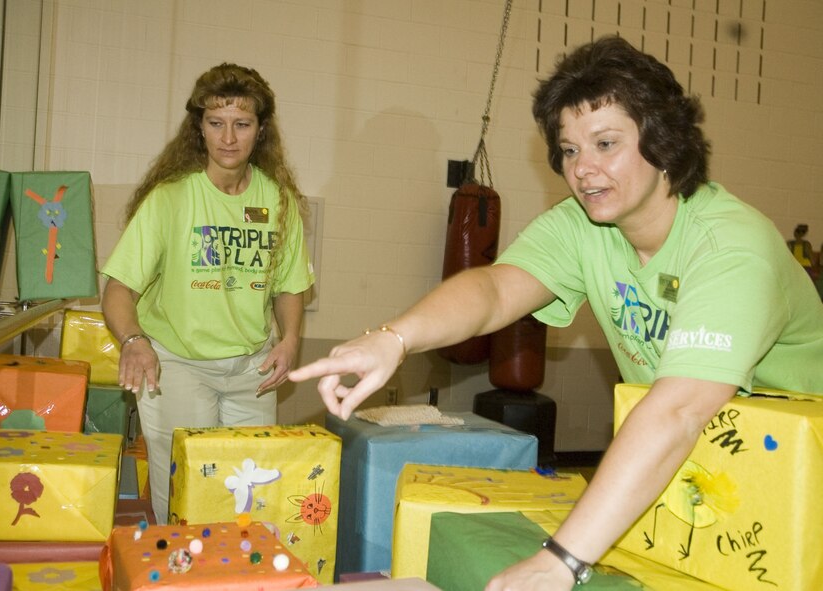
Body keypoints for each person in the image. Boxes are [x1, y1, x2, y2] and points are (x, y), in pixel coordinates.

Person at [289, 36, 823, 590]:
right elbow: (495, 291)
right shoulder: (584, 227)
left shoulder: (729, 247)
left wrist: (562, 559)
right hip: (712, 471)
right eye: (570, 150)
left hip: (804, 475)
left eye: (606, 143)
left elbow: (679, 410)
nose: (584, 170)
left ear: (663, 142)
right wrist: (393, 338)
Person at [101, 63, 314, 524]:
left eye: (242, 124)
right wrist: (135, 342)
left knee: (249, 494)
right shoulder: (171, 198)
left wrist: (290, 338)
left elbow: (289, 285)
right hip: (177, 363)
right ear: (199, 127)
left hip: (250, 368)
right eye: (216, 123)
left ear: (261, 130)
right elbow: (118, 289)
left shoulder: (278, 202)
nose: (229, 138)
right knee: (183, 489)